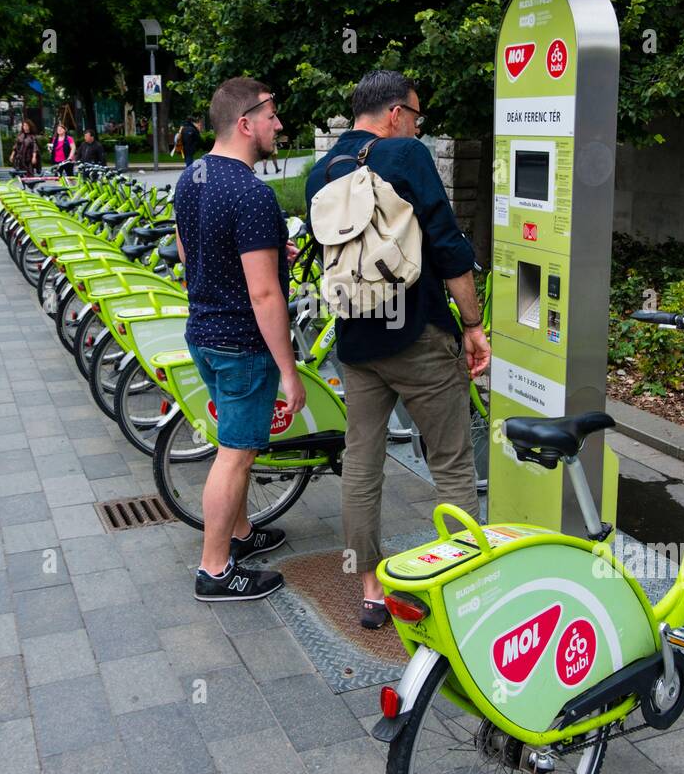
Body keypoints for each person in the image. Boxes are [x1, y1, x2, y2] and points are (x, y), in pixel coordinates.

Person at [306, 70, 491, 629]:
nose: (416, 125)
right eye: (415, 114)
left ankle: (369, 589)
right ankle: (465, 583)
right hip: (420, 334)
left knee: (363, 460)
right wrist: (473, 323)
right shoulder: (405, 155)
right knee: (452, 460)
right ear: (394, 114)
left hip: (357, 339)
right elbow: (447, 243)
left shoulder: (323, 170)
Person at [173, 77, 305, 603]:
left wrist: (270, 251)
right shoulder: (250, 192)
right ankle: (214, 570)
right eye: (272, 116)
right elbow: (265, 296)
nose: (279, 125)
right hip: (241, 346)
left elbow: (191, 253)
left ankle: (241, 535)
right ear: (246, 123)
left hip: (203, 332)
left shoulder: (192, 177)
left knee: (234, 443)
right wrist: (290, 371)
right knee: (236, 453)